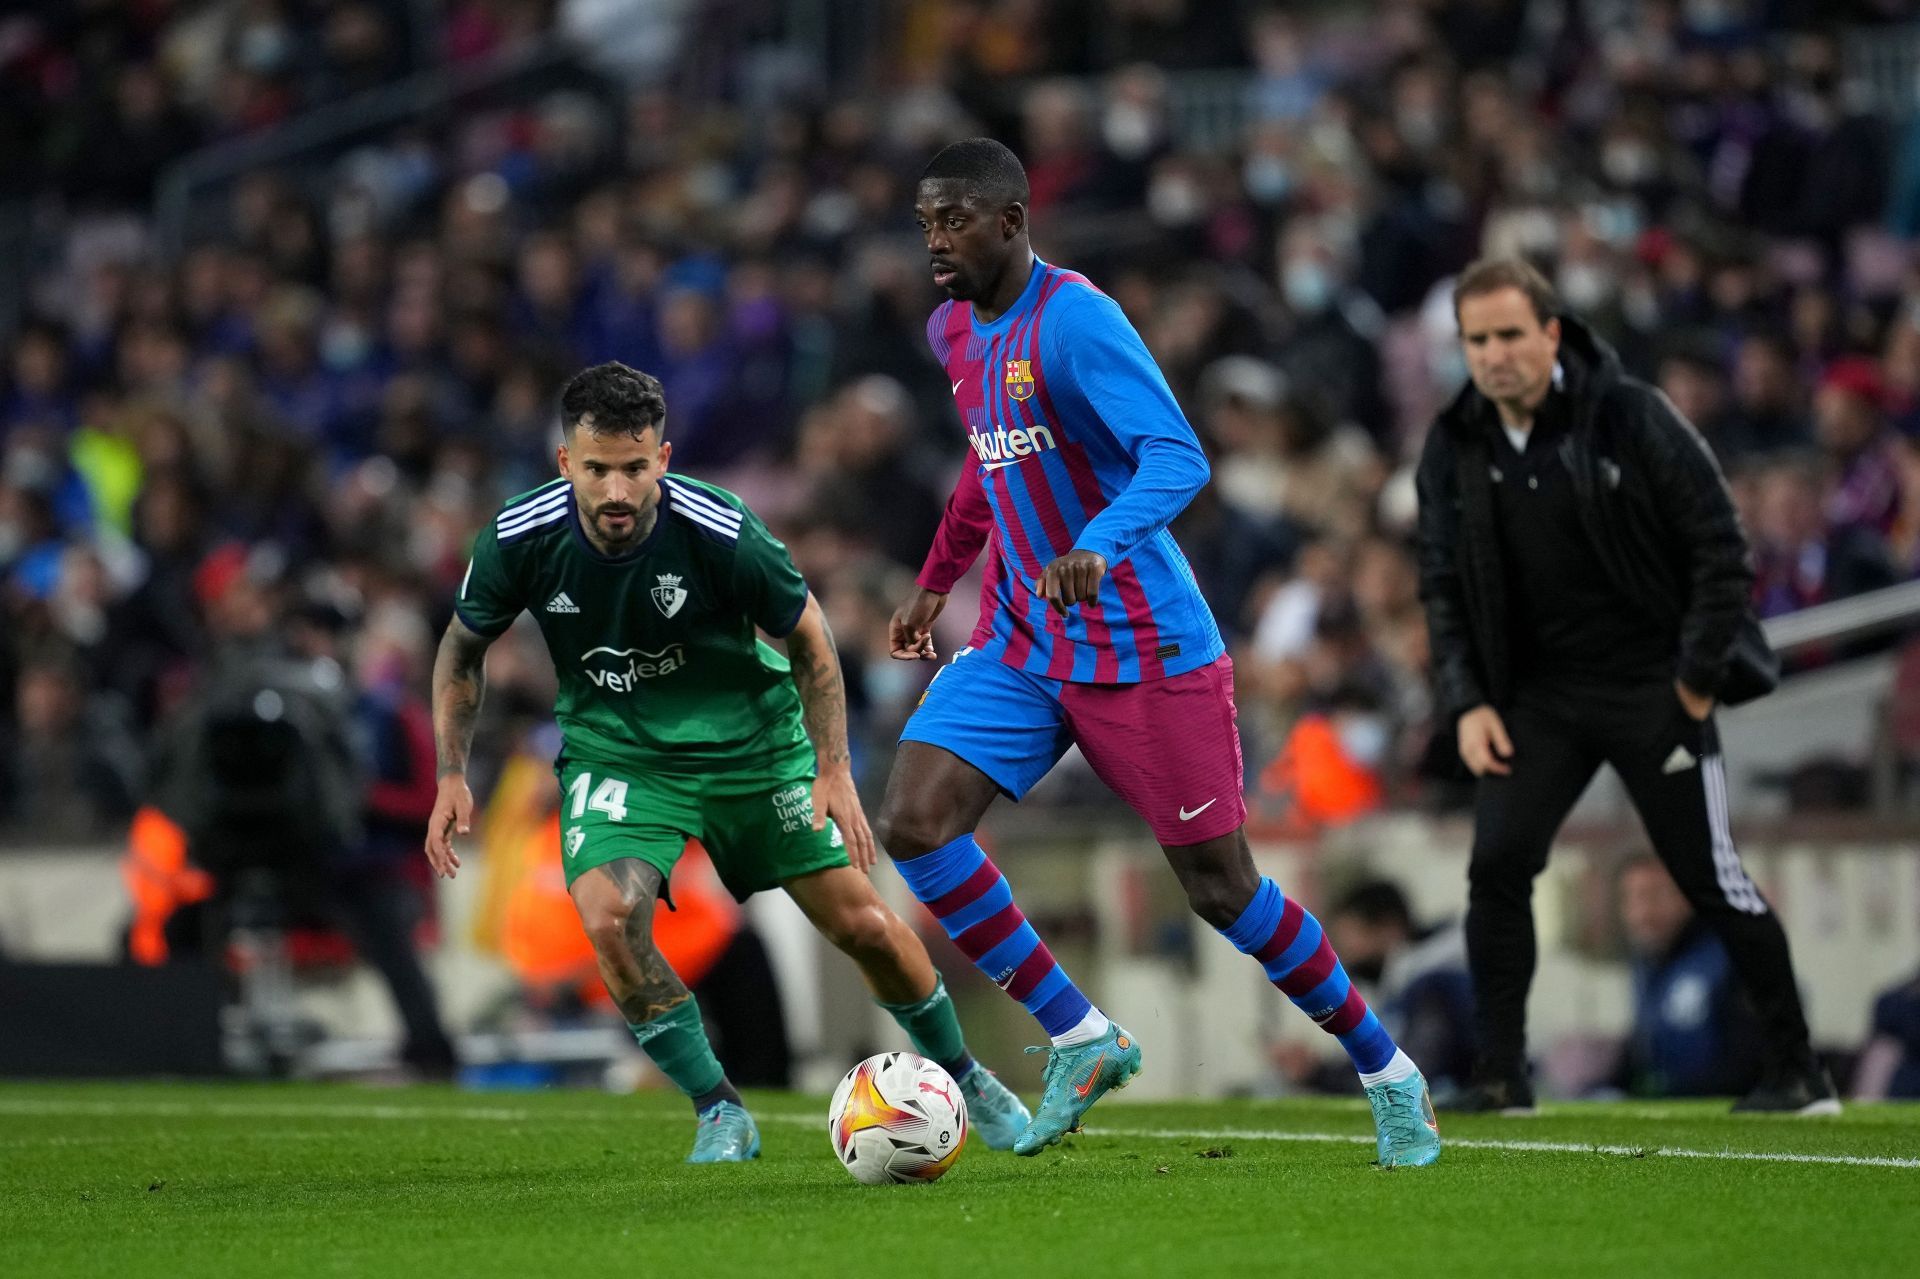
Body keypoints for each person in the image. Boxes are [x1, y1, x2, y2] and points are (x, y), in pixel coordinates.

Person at [877, 138, 1440, 1167]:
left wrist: (1096, 542)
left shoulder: (1077, 319)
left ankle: (1388, 1070)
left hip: (1142, 645)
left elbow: (1178, 454)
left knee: (1223, 888)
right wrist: (935, 577)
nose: (935, 244)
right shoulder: (953, 328)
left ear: (1010, 219)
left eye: (952, 221)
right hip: (1022, 632)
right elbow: (986, 461)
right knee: (914, 820)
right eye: (925, 225)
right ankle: (1084, 1036)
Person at [423, 362, 1028, 1163]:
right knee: (608, 917)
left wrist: (833, 767)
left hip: (754, 745)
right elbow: (462, 649)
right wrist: (452, 773)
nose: (615, 491)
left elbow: (810, 637)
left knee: (862, 925)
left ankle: (966, 1075)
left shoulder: (720, 528)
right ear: (565, 461)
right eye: (597, 468)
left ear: (663, 459)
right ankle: (718, 1108)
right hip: (621, 750)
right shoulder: (516, 536)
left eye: (634, 469)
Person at [1414, 257, 1836, 1114]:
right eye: (1476, 340)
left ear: (1551, 334)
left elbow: (1722, 549)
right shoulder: (1454, 443)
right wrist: (1467, 701)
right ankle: (1502, 1073)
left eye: (1508, 335)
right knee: (1496, 865)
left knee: (1710, 877)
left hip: (1652, 685)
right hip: (1536, 698)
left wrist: (1692, 682)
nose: (1492, 355)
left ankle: (1799, 1070)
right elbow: (1442, 583)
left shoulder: (1631, 415)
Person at [1613, 853, 1764, 1098]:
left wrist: (1668, 1092)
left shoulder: (1730, 955)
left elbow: (1752, 1063)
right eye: (1631, 899)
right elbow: (1644, 1050)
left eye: (1654, 896)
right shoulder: (1647, 962)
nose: (1643, 913)